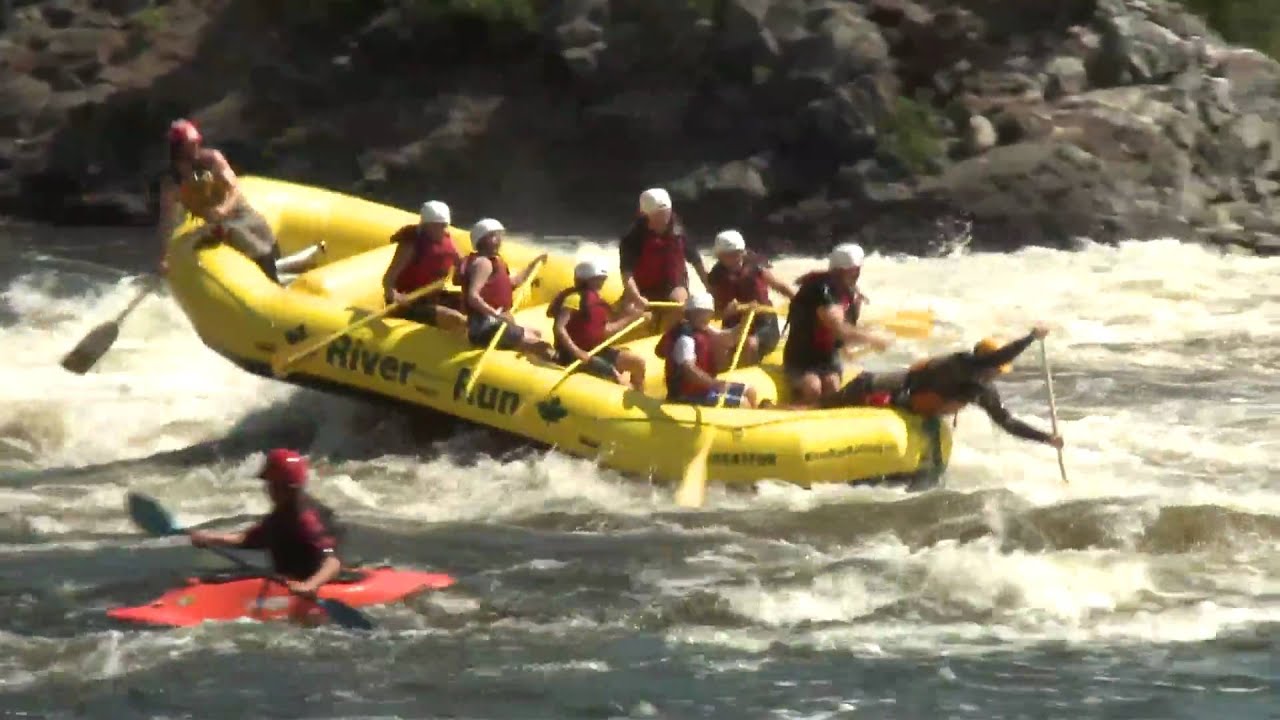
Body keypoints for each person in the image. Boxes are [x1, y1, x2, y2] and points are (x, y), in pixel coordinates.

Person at [831, 325, 1065, 449]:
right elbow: (996, 358)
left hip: (907, 406)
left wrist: (1046, 438)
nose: (995, 374)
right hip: (876, 387)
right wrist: (1030, 338)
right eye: (995, 369)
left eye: (998, 371)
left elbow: (1007, 422)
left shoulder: (983, 389)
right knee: (830, 402)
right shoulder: (961, 364)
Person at [187, 449, 344, 594]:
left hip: (313, 586)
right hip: (289, 583)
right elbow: (245, 539)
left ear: (282, 487)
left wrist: (309, 585)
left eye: (271, 484)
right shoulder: (281, 515)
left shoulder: (307, 520)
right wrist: (208, 538)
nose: (267, 489)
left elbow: (332, 563)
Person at [157, 119, 288, 282]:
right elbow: (167, 221)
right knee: (238, 236)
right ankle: (268, 275)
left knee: (267, 242)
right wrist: (164, 256)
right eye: (191, 144)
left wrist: (223, 209)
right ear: (178, 149)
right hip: (218, 226)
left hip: (238, 213)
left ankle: (277, 270)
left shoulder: (212, 160)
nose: (197, 146)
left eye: (197, 142)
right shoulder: (171, 184)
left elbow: (233, 188)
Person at [782, 243, 892, 406]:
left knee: (832, 387)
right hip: (801, 357)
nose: (858, 273)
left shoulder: (850, 290)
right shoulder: (820, 290)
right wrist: (873, 338)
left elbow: (847, 325)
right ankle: (777, 409)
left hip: (827, 357)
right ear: (842, 271)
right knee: (813, 388)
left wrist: (847, 348)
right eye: (855, 270)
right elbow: (839, 329)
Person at [549, 260, 649, 390]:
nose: (602, 282)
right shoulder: (574, 298)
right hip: (574, 355)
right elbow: (560, 327)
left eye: (602, 278)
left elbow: (606, 330)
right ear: (588, 280)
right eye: (599, 278)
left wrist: (634, 317)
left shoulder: (596, 301)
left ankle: (639, 393)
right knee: (618, 378)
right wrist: (577, 351)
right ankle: (629, 392)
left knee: (637, 363)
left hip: (597, 350)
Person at [460, 218, 553, 357]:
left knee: (536, 333)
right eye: (493, 236)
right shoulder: (483, 263)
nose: (498, 240)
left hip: (494, 322)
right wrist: (496, 315)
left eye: (498, 235)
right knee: (540, 346)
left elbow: (514, 283)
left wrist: (533, 265)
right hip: (484, 327)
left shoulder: (496, 261)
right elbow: (473, 297)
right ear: (481, 240)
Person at [618, 188, 710, 326]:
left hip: (674, 286)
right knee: (630, 310)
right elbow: (627, 274)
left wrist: (711, 289)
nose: (663, 219)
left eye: (666, 214)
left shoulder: (679, 232)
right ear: (645, 214)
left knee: (679, 304)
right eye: (658, 215)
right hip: (642, 289)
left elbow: (697, 263)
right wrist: (637, 297)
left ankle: (669, 332)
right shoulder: (632, 238)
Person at [706, 229, 795, 368]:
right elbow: (714, 311)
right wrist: (726, 312)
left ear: (743, 252)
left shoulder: (756, 267)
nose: (734, 258)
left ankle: (748, 374)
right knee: (718, 347)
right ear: (720, 256)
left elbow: (780, 286)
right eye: (728, 255)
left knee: (750, 344)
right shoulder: (716, 276)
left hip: (764, 323)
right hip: (734, 324)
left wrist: (799, 300)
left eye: (737, 253)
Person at [655, 292, 759, 408]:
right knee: (743, 403)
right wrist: (714, 383)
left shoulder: (702, 327)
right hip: (687, 396)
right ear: (690, 313)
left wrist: (745, 319)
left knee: (750, 392)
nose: (706, 317)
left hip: (704, 389)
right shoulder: (684, 337)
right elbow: (689, 370)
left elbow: (729, 338)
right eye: (701, 313)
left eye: (708, 313)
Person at [381, 199, 466, 332]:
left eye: (444, 225)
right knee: (454, 318)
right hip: (409, 303)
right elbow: (388, 280)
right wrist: (394, 295)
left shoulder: (447, 240)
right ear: (426, 225)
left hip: (432, 298)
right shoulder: (411, 244)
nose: (441, 230)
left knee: (469, 304)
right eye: (436, 226)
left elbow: (463, 265)